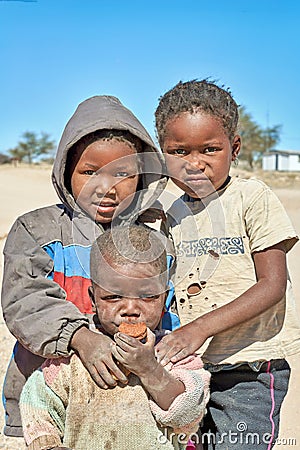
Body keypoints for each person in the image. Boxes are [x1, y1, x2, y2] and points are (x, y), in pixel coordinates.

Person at [1, 95, 167, 437]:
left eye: (122, 173)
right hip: (43, 413)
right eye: (89, 172)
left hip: (135, 412)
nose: (105, 187)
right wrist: (80, 337)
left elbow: (168, 309)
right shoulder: (37, 230)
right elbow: (24, 299)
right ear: (66, 171)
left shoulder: (155, 237)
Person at [153, 80, 300, 449]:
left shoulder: (251, 199)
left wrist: (199, 328)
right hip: (193, 368)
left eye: (210, 149)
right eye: (179, 151)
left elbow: (272, 285)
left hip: (250, 369)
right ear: (163, 154)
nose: (194, 163)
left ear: (233, 148)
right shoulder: (173, 214)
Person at [19, 225, 210, 450]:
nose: (130, 308)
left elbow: (188, 417)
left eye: (148, 296)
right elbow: (37, 403)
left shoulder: (173, 354)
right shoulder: (75, 356)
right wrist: (47, 445)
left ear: (164, 298)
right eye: (113, 297)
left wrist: (149, 369)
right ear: (93, 298)